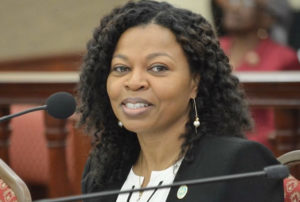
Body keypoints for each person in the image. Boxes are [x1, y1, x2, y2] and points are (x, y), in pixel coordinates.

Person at [77, 1, 284, 201]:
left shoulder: (238, 163)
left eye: (158, 68)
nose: (134, 82)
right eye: (121, 68)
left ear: (195, 82)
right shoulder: (102, 170)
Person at [214, 0, 300, 149]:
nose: (235, 8)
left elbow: (281, 127)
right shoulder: (213, 47)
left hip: (255, 150)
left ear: (267, 18)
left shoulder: (283, 57)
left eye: (246, 3)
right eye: (232, 1)